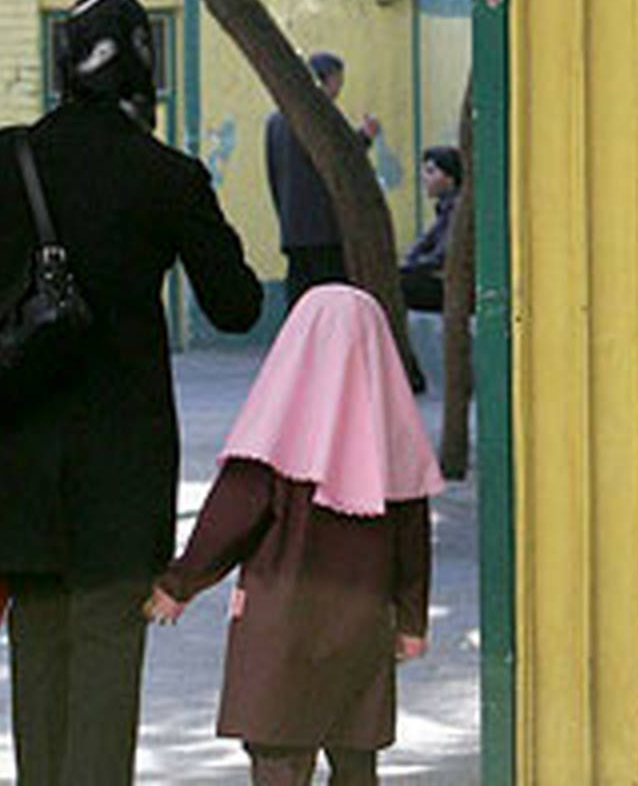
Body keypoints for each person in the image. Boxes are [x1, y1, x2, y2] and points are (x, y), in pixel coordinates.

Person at [0, 0, 263, 786]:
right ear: (144, 67)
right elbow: (236, 307)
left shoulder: (3, 159)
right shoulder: (169, 175)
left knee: (39, 650)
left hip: (19, 450)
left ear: (63, 62)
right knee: (106, 661)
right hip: (123, 466)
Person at [145, 284, 444, 785]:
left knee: (279, 758)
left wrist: (179, 585)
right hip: (362, 627)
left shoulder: (272, 430)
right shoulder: (397, 439)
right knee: (356, 760)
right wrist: (412, 622)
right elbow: (413, 545)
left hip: (279, 628)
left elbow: (229, 520)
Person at [265, 52, 381, 308]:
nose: (339, 88)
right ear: (329, 79)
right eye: (339, 80)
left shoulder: (276, 120)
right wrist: (365, 137)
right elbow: (341, 157)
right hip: (325, 227)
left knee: (300, 298)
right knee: (331, 297)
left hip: (293, 227)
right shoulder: (320, 115)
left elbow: (274, 174)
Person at [400, 145, 462, 313]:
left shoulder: (456, 209)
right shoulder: (445, 209)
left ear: (450, 177)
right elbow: (423, 244)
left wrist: (410, 267)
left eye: (431, 172)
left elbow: (441, 255)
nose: (424, 178)